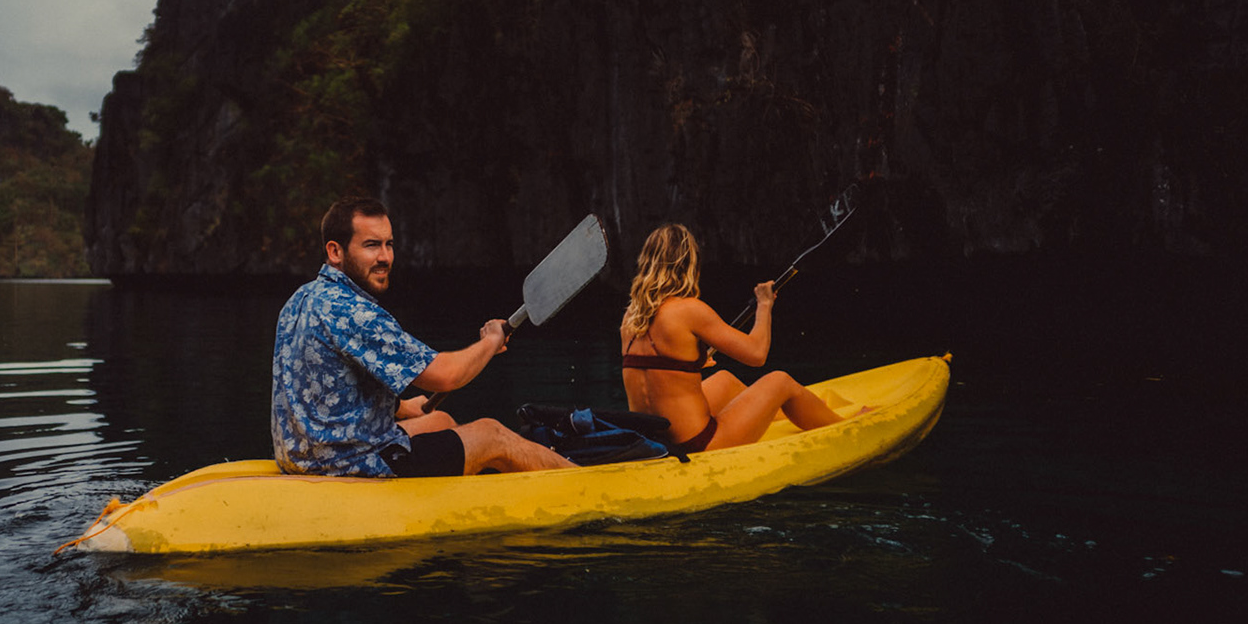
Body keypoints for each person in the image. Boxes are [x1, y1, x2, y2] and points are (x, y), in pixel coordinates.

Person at [271, 197, 573, 477]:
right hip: (351, 462)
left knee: (439, 422)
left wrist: (399, 409)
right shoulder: (352, 312)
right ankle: (582, 483)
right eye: (371, 245)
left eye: (389, 244)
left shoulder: (300, 298)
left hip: (302, 453)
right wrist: (491, 341)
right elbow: (445, 376)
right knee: (492, 435)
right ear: (335, 251)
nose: (385, 257)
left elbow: (326, 389)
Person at [619, 223, 846, 453]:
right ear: (689, 264)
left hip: (652, 438)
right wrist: (764, 305)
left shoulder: (630, 317)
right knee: (780, 381)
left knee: (725, 380)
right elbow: (757, 355)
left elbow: (658, 370)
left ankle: (789, 412)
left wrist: (694, 360)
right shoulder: (689, 310)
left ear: (647, 263)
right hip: (696, 444)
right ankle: (843, 425)